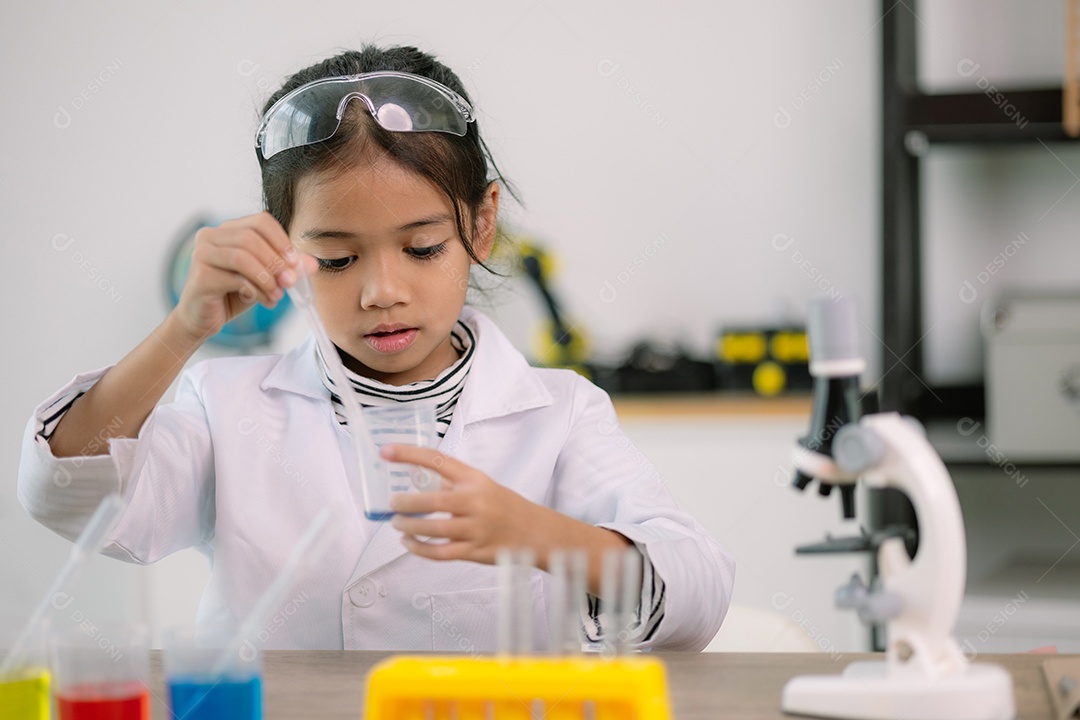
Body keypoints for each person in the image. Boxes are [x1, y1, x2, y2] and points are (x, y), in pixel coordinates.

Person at [18, 44, 734, 652]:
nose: (381, 291)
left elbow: (697, 590)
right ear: (283, 243)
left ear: (482, 225)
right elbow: (70, 495)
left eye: (422, 248)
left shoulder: (561, 413)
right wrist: (184, 329)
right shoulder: (229, 404)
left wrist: (539, 533)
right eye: (336, 259)